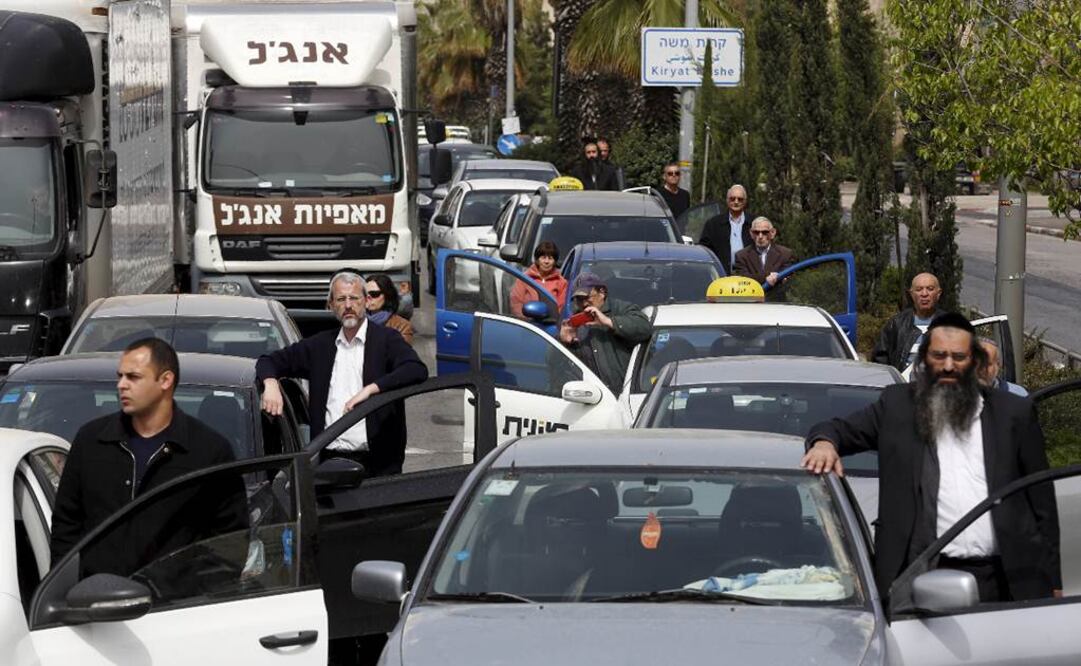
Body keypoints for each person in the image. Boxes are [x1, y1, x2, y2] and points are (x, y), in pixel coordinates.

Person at [802, 312, 1060, 603]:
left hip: (1007, 580)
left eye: (958, 357)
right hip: (919, 577)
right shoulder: (896, 407)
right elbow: (837, 429)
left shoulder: (1014, 413)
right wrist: (824, 443)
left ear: (974, 361)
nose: (948, 366)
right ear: (924, 360)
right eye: (939, 356)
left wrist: (1053, 579)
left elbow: (1042, 504)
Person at [50, 338, 246, 575]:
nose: (122, 385)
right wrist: (69, 589)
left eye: (133, 377)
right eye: (120, 376)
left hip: (175, 606)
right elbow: (66, 525)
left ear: (165, 380)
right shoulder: (91, 441)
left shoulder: (209, 451)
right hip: (95, 601)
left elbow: (229, 541)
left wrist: (193, 595)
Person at [257, 269, 428, 476]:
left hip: (379, 466)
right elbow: (268, 361)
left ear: (366, 301)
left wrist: (372, 390)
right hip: (327, 464)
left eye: (354, 298)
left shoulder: (387, 340)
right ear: (331, 305)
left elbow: (416, 369)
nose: (348, 305)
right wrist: (271, 383)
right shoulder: (319, 346)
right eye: (341, 299)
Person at [558, 272, 651, 393]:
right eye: (578, 300)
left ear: (602, 292)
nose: (584, 304)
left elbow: (644, 328)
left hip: (626, 392)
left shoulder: (621, 309)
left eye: (586, 298)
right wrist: (565, 343)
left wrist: (609, 322)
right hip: (593, 396)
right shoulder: (574, 322)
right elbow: (559, 368)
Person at [872, 272, 946, 371]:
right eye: (919, 289)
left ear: (938, 293)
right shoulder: (896, 324)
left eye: (930, 289)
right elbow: (880, 360)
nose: (924, 294)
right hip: (903, 383)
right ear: (911, 294)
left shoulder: (951, 324)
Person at [698, 184, 753, 275]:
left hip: (748, 276)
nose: (736, 202)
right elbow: (705, 250)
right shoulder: (713, 224)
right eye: (732, 198)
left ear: (745, 202)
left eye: (740, 199)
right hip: (721, 275)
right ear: (727, 200)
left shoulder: (754, 224)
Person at [732, 216, 796, 287]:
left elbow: (789, 277)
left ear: (772, 233)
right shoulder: (741, 256)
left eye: (765, 232)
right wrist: (767, 277)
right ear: (751, 234)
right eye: (756, 232)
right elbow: (742, 280)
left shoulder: (785, 254)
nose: (760, 236)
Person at [510, 241, 568, 317]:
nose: (546, 262)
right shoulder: (524, 278)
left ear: (554, 262)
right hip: (527, 323)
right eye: (543, 258)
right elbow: (516, 302)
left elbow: (561, 307)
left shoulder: (561, 282)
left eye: (550, 258)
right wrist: (524, 320)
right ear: (537, 260)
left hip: (550, 325)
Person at [365, 273, 415, 346]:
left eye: (374, 294)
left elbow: (400, 354)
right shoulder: (355, 322)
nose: (369, 298)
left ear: (387, 295)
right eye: (365, 294)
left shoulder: (402, 326)